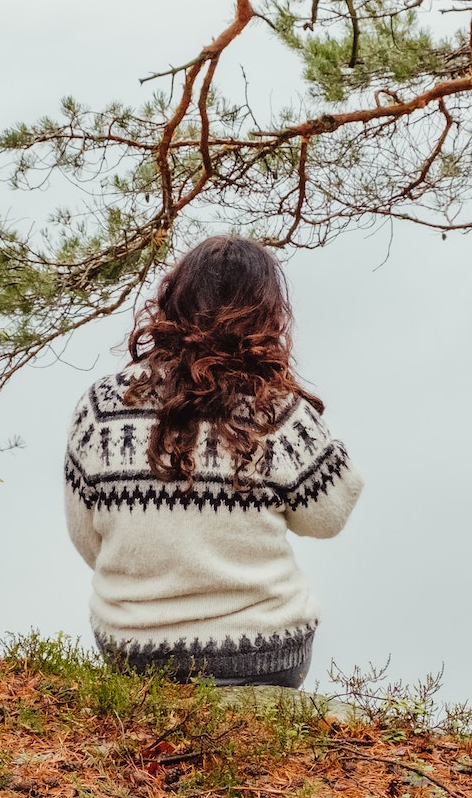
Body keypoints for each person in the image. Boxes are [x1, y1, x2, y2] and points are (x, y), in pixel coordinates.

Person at [62, 235, 363, 688]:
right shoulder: (275, 410)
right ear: (267, 315)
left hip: (133, 650)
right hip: (263, 652)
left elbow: (87, 538)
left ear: (173, 301)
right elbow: (328, 515)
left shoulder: (102, 404)